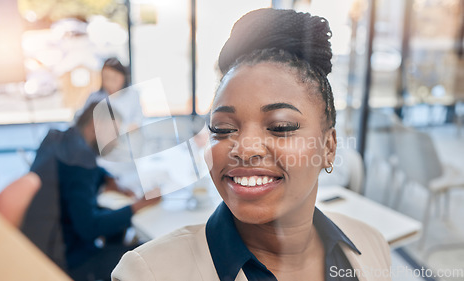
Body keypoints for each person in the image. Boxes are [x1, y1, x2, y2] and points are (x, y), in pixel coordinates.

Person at [112, 8, 391, 281]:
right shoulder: (148, 273)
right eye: (222, 128)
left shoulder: (372, 246)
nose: (244, 149)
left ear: (329, 148)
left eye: (280, 127)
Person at [21, 103, 159, 281]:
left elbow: (72, 173)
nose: (115, 141)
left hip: (38, 244)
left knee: (115, 222)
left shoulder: (57, 138)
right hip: (64, 260)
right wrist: (138, 205)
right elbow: (89, 227)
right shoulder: (81, 161)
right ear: (97, 125)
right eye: (114, 133)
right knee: (146, 252)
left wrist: (107, 178)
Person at [82, 57, 143, 131]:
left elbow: (137, 120)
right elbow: (82, 121)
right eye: (106, 78)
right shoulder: (94, 97)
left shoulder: (133, 95)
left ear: (123, 77)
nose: (110, 83)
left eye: (114, 79)